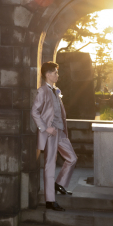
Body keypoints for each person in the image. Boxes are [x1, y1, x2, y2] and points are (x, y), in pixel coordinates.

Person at [31, 61, 77, 212]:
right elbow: (34, 111)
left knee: (72, 158)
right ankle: (50, 200)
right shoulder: (43, 91)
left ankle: (60, 184)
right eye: (55, 72)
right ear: (48, 74)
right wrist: (45, 128)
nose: (58, 75)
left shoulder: (56, 90)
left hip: (61, 131)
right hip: (51, 133)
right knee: (50, 165)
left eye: (57, 72)